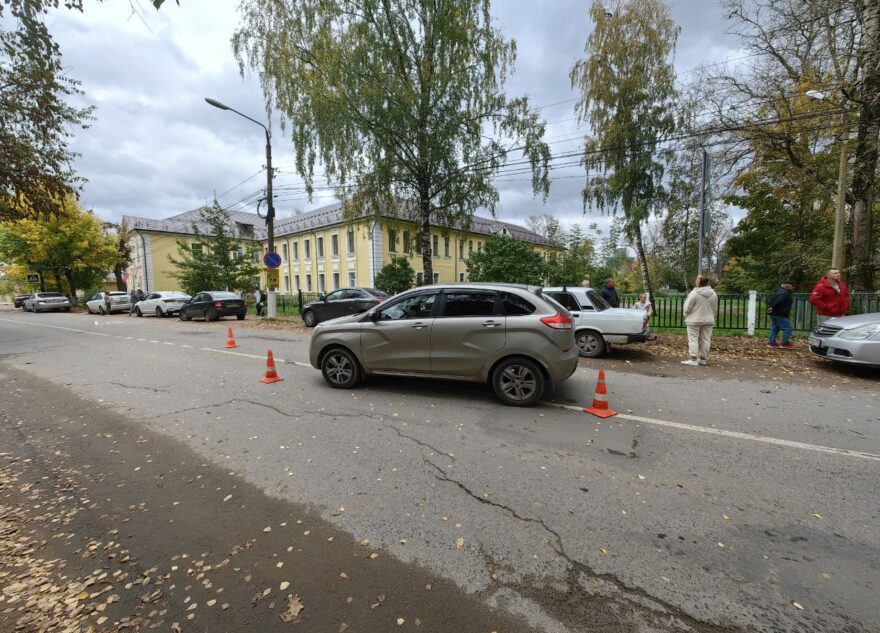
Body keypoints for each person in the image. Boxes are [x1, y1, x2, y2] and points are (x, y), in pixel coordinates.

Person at [682, 275, 717, 366]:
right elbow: (714, 307)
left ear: (699, 282)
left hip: (694, 320)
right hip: (708, 320)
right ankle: (702, 359)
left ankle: (693, 359)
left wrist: (686, 314)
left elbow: (687, 308)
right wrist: (711, 315)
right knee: (705, 339)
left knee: (693, 339)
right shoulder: (713, 294)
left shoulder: (694, 293)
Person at [767, 282, 795, 349]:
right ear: (787, 286)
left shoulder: (779, 291)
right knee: (787, 329)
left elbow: (772, 301)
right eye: (791, 285)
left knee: (775, 328)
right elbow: (778, 302)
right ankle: (785, 343)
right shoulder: (784, 293)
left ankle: (772, 342)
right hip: (780, 313)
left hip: (774, 313)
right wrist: (773, 307)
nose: (792, 287)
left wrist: (771, 308)